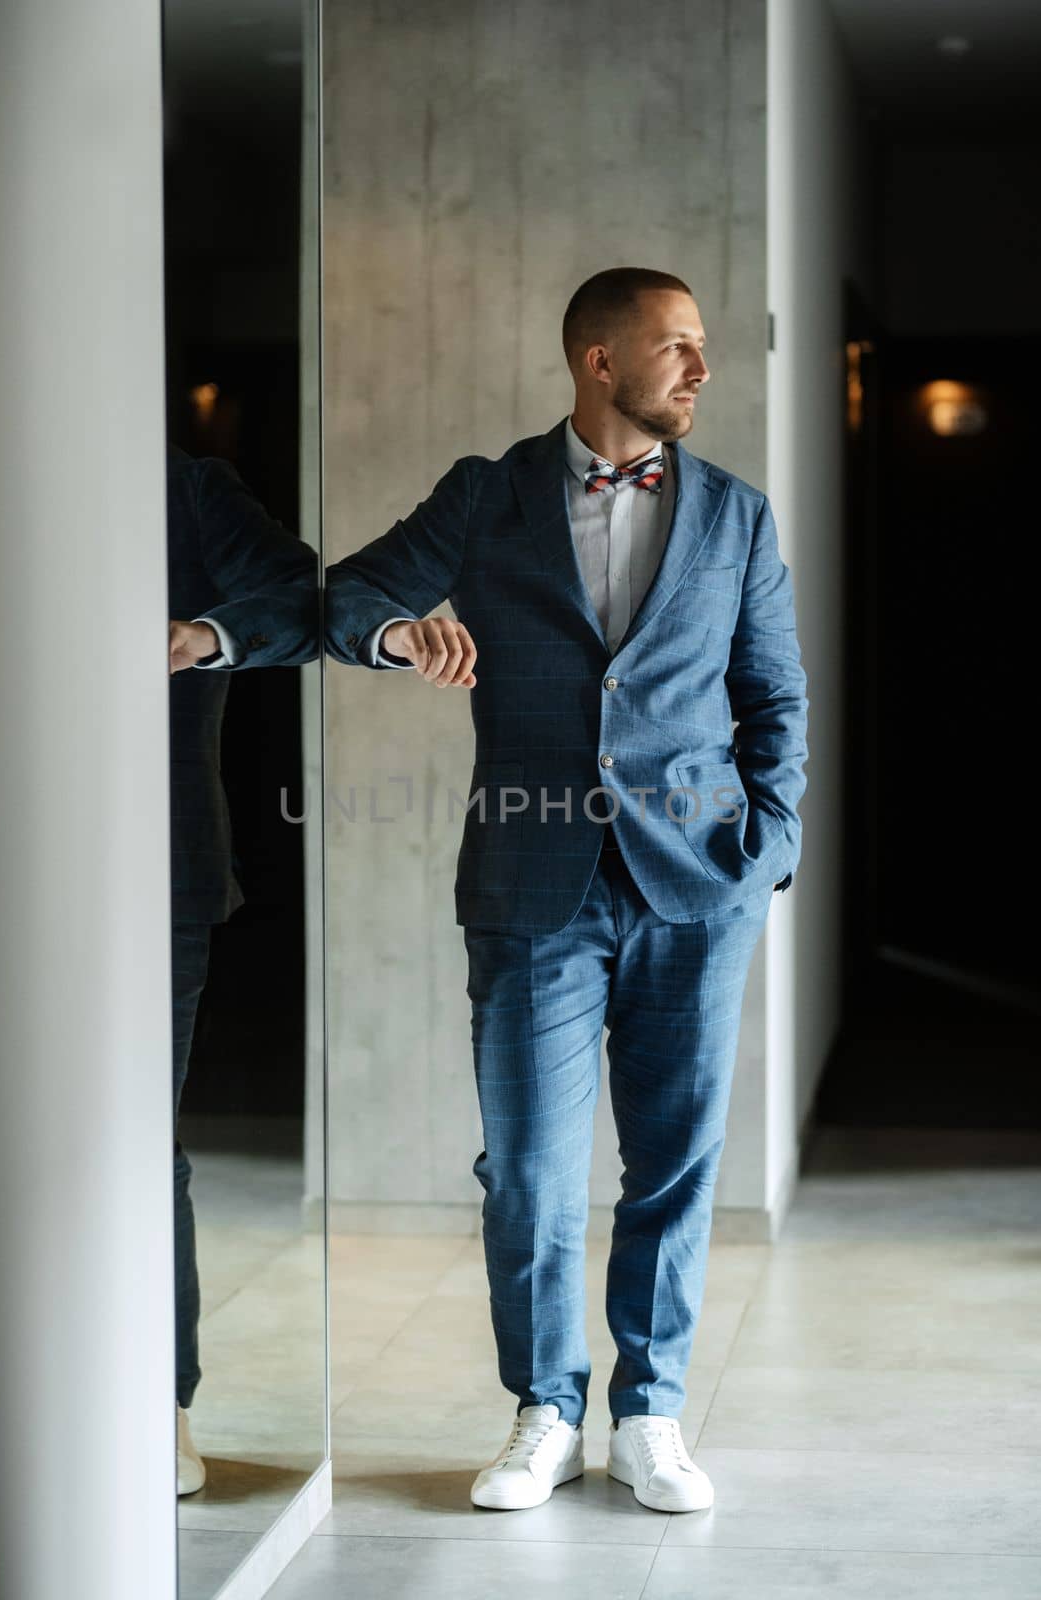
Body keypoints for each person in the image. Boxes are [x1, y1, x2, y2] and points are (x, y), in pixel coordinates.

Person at [179, 266, 808, 1515]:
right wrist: (402, 633)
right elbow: (346, 595)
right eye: (674, 344)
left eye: (699, 347)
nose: (698, 367)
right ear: (597, 359)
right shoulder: (489, 495)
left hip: (700, 881)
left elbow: (774, 697)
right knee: (524, 1164)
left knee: (676, 1160)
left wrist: (768, 852)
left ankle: (650, 1412)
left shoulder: (737, 515)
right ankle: (545, 1408)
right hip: (532, 887)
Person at [166, 445, 318, 1493]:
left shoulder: (183, 485)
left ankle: (158, 1402)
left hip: (151, 869)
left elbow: (302, 598)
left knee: (130, 1145)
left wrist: (204, 635)